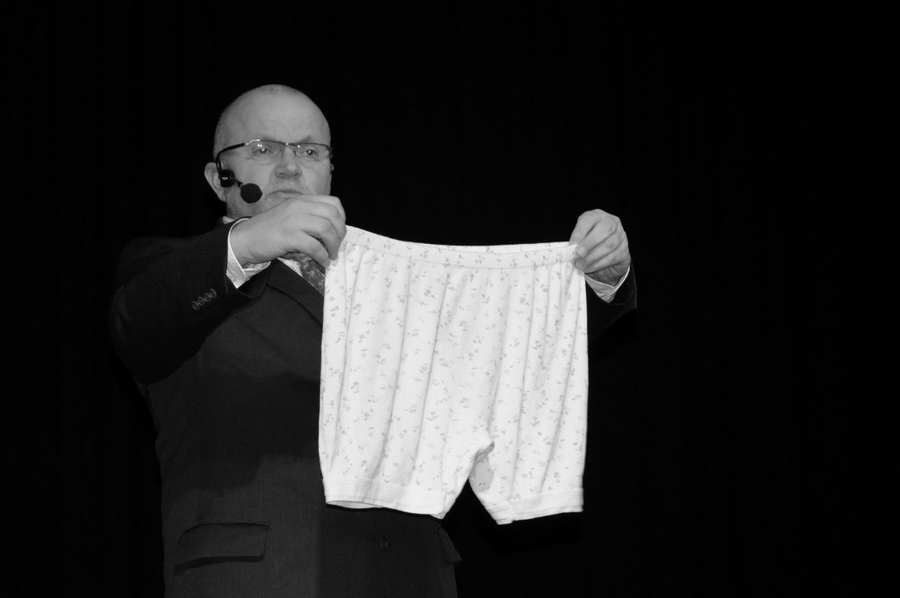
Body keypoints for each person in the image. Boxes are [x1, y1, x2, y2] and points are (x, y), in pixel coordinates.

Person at [109, 84, 636, 597]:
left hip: (410, 575)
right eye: (263, 149)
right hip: (264, 577)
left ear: (329, 170)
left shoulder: (389, 280)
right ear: (218, 176)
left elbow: (512, 342)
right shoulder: (170, 265)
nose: (289, 167)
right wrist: (247, 243)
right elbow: (137, 325)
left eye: (309, 151)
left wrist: (599, 277)